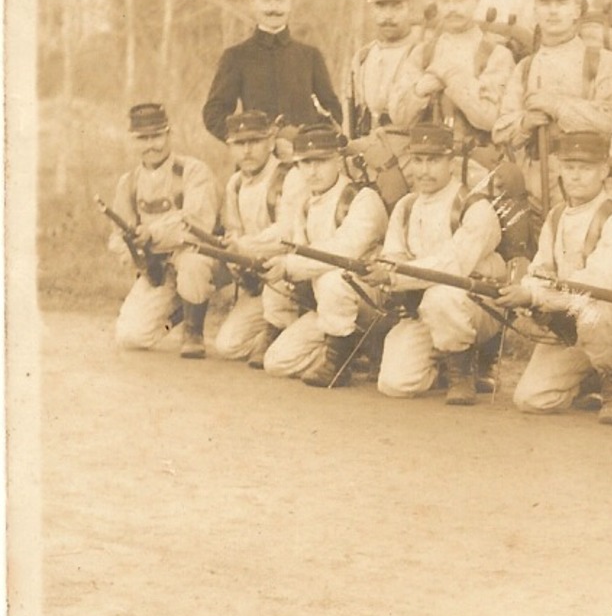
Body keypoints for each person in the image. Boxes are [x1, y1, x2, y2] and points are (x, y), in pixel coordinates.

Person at [496, 131, 612, 423]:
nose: (576, 176)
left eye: (586, 168)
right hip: (574, 321)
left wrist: (535, 295)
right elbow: (541, 270)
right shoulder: (556, 216)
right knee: (531, 398)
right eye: (569, 167)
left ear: (604, 171)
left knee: (596, 309)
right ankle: (591, 377)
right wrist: (524, 292)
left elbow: (596, 285)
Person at [362, 123, 506, 404]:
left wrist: (394, 276)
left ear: (451, 162)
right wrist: (382, 270)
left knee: (443, 295)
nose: (424, 170)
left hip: (475, 306)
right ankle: (440, 362)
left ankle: (463, 372)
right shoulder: (406, 206)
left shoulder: (474, 206)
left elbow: (453, 267)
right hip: (425, 306)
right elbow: (394, 255)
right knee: (395, 383)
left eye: (434, 160)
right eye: (418, 160)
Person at [261, 123, 390, 386]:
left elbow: (344, 252)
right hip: (331, 308)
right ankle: (352, 349)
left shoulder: (361, 198)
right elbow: (297, 249)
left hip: (372, 303)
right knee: (276, 362)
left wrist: (291, 265)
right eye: (305, 163)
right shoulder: (306, 205)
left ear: (339, 160)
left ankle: (339, 364)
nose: (312, 170)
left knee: (335, 277)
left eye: (321, 161)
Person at [492, 0, 612, 209]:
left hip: (588, 189)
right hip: (533, 189)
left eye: (561, 2)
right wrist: (524, 123)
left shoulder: (603, 62)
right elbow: (500, 132)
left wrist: (558, 106)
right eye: (545, 3)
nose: (552, 10)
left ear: (576, 10)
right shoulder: (525, 67)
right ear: (535, 11)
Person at [107, 103, 219, 358]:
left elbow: (197, 223)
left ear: (169, 134)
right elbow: (116, 236)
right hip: (159, 265)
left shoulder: (193, 171)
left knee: (192, 263)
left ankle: (194, 330)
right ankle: (177, 313)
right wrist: (134, 253)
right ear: (132, 141)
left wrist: (151, 233)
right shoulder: (129, 183)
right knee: (131, 336)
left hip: (196, 256)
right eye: (142, 139)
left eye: (157, 136)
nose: (151, 145)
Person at [202, 0, 342, 142]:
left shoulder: (310, 56)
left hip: (305, 160)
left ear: (290, 4)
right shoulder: (236, 56)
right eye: (266, 0)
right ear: (253, 4)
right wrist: (251, 141)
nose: (273, 9)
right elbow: (214, 114)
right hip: (257, 163)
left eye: (280, 0)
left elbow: (333, 110)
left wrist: (308, 140)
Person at [389, 0, 515, 151]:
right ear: (437, 3)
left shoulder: (496, 55)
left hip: (475, 159)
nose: (452, 8)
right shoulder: (422, 53)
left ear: (476, 1)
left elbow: (492, 119)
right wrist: (420, 90)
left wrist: (452, 77)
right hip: (425, 157)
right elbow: (399, 118)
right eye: (445, 0)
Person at [210, 111, 294, 366]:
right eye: (239, 143)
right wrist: (235, 259)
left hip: (289, 281)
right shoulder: (235, 184)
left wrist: (244, 246)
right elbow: (234, 231)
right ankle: (277, 336)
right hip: (258, 284)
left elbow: (287, 234)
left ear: (270, 142)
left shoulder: (287, 177)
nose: (246, 150)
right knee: (228, 346)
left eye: (254, 142)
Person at [344, 0, 422, 139]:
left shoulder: (422, 53)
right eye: (381, 6)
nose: (388, 15)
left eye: (396, 6)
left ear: (410, 7)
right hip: (366, 150)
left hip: (409, 153)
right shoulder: (362, 57)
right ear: (372, 9)